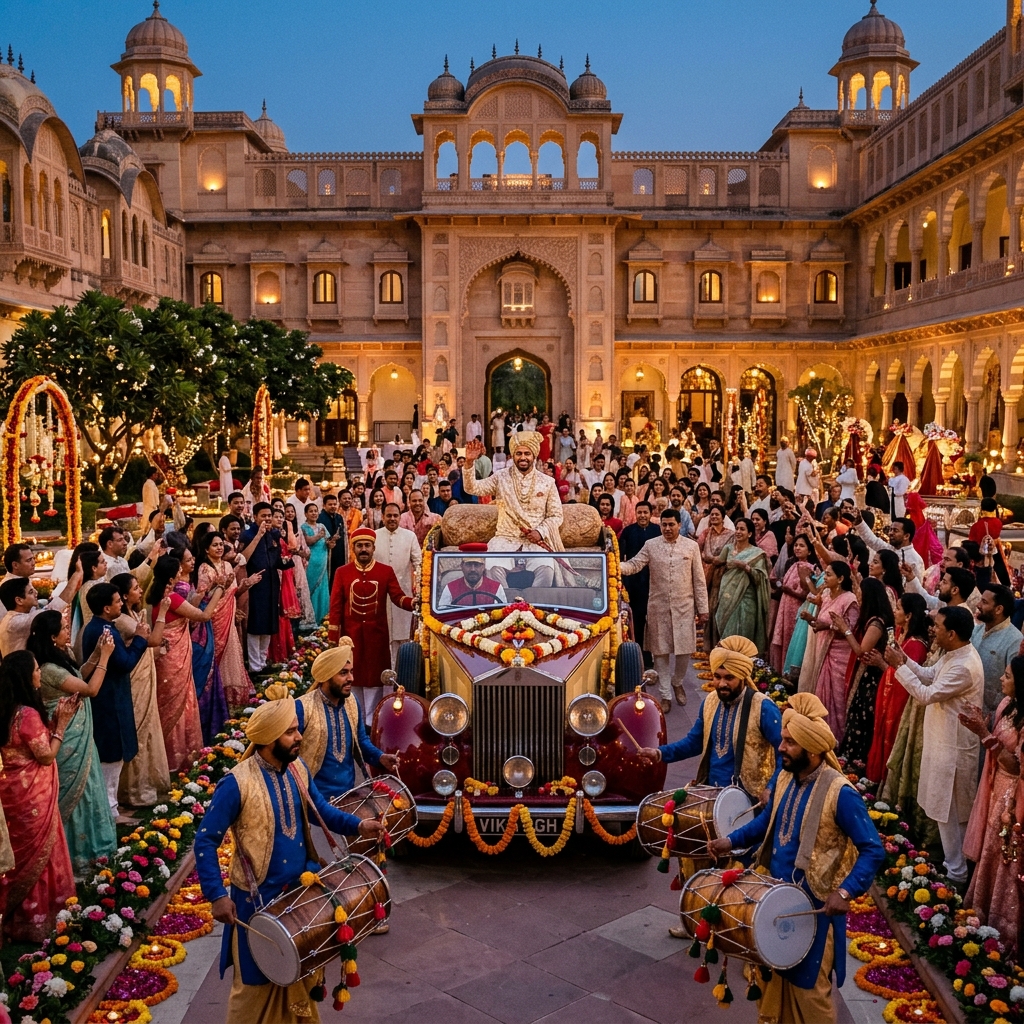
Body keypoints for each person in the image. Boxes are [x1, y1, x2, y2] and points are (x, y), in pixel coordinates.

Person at [194, 696, 383, 1024]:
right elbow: (205, 840)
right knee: (254, 984)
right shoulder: (236, 783)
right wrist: (216, 895)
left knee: (302, 975)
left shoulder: (297, 768)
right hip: (257, 900)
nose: (299, 737)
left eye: (298, 730)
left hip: (300, 893)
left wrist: (358, 824)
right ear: (268, 738)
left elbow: (319, 811)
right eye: (290, 732)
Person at [711, 693, 886, 1024]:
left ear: (814, 751)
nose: (781, 747)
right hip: (776, 898)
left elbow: (873, 849)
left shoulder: (841, 793)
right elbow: (767, 822)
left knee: (809, 991)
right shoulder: (786, 776)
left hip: (815, 909)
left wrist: (846, 892)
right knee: (772, 980)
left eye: (790, 743)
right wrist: (729, 841)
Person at [884, 604, 985, 884]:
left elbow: (927, 694)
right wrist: (904, 659)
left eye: (938, 626)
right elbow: (929, 675)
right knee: (946, 812)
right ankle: (956, 868)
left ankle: (957, 875)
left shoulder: (964, 666)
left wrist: (897, 667)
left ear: (952, 633)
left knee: (950, 813)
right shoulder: (954, 654)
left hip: (952, 751)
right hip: (942, 744)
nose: (933, 629)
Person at [638, 634, 782, 808]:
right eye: (717, 676)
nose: (721, 684)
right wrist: (659, 753)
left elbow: (784, 753)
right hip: (712, 794)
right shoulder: (710, 702)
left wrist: (771, 788)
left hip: (751, 799)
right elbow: (694, 742)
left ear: (742, 677)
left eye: (729, 678)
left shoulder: (763, 708)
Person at [29, 611, 118, 874]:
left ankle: (92, 852)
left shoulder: (59, 658)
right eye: (64, 628)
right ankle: (73, 858)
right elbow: (89, 689)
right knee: (76, 794)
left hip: (80, 737)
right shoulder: (48, 669)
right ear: (53, 637)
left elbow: (79, 674)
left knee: (89, 790)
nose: (69, 631)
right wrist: (105, 658)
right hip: (67, 740)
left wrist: (96, 655)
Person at [0, 650, 76, 942]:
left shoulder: (5, 709)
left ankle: (12, 921)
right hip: (33, 796)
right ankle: (39, 920)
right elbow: (45, 756)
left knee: (18, 856)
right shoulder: (27, 715)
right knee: (41, 854)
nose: (39, 674)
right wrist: (62, 725)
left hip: (10, 794)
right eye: (35, 670)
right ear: (24, 676)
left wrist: (55, 721)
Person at [960, 656, 1024, 949]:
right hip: (995, 788)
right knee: (990, 850)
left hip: (1013, 797)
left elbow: (1015, 766)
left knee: (1006, 855)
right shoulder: (1007, 706)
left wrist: (984, 733)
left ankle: (1002, 932)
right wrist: (984, 725)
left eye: (1007, 675)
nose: (1001, 679)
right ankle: (980, 920)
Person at [619, 508, 709, 712]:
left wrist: (703, 608)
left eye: (671, 525)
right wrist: (614, 564)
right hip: (658, 606)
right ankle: (666, 694)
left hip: (684, 606)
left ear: (679, 525)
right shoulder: (651, 545)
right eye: (664, 525)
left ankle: (677, 681)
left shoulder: (691, 546)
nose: (667, 528)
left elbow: (699, 580)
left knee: (684, 651)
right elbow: (634, 565)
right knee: (660, 651)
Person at [327, 527, 415, 724]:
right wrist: (333, 640)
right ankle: (353, 719)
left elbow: (398, 597)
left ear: (374, 547)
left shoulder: (385, 571)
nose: (363, 549)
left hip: (377, 636)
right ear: (353, 549)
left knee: (375, 678)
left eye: (367, 545)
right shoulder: (342, 572)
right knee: (352, 677)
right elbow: (335, 607)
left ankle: (371, 722)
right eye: (359, 546)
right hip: (351, 637)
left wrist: (414, 603)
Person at [80, 583, 151, 821]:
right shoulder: (102, 631)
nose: (122, 603)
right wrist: (140, 640)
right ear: (106, 607)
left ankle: (112, 808)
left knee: (114, 754)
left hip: (112, 696)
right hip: (108, 701)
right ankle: (110, 812)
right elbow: (125, 663)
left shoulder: (102, 626)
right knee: (111, 755)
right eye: (117, 601)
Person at [297, 643, 399, 801]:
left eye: (351, 672)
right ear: (326, 676)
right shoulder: (303, 707)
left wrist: (380, 757)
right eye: (343, 673)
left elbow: (360, 741)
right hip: (312, 801)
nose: (351, 678)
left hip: (348, 796)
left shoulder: (352, 701)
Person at [462, 433, 563, 589]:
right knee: (492, 569)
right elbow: (472, 488)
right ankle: (506, 608)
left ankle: (532, 609)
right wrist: (469, 463)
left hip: (535, 542)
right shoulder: (500, 477)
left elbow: (556, 515)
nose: (523, 457)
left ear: (534, 455)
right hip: (505, 539)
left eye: (527, 453)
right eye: (519, 453)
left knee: (547, 570)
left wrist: (541, 532)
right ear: (513, 456)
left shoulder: (547, 482)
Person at [149, 556, 220, 771]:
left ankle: (170, 757)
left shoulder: (154, 595)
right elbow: (204, 616)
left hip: (168, 655)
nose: (182, 572)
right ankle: (176, 759)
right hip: (173, 657)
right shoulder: (172, 599)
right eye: (179, 570)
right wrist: (218, 591)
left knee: (168, 702)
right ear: (172, 577)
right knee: (177, 702)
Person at [110, 573, 172, 808]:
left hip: (145, 675)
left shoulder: (133, 614)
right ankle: (134, 791)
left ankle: (146, 783)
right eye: (136, 588)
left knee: (148, 727)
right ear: (125, 595)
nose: (140, 591)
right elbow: (153, 640)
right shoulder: (124, 621)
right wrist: (163, 612)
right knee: (139, 728)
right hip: (135, 681)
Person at [865, 592, 930, 784]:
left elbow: (905, 678)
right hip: (888, 697)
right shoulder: (903, 636)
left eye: (899, 608)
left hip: (898, 703)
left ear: (909, 615)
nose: (894, 611)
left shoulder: (916, 645)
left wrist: (881, 664)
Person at [833, 576, 894, 768]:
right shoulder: (872, 619)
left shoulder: (876, 623)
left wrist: (845, 630)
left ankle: (855, 763)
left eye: (860, 591)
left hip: (871, 678)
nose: (857, 594)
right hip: (868, 675)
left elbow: (862, 651)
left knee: (861, 719)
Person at [195, 532, 260, 711]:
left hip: (228, 618)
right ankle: (217, 697)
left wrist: (245, 585)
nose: (219, 548)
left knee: (232, 652)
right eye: (215, 545)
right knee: (216, 655)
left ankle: (232, 696)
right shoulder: (204, 568)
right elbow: (203, 597)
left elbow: (234, 593)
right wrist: (219, 586)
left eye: (220, 544)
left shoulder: (228, 566)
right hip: (214, 619)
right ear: (206, 549)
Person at [800, 561, 858, 745]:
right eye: (825, 573)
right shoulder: (825, 594)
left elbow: (851, 629)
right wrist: (812, 619)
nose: (825, 578)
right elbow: (821, 624)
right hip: (822, 650)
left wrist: (828, 626)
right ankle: (817, 736)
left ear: (841, 578)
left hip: (839, 656)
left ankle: (835, 740)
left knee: (836, 699)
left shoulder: (850, 600)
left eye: (829, 574)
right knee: (820, 692)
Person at [240, 503, 293, 673]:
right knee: (256, 625)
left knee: (269, 623)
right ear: (254, 517)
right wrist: (259, 535)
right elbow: (242, 560)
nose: (267, 519)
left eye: (269, 515)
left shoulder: (274, 534)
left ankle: (263, 663)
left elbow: (276, 560)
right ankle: (255, 666)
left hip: (271, 584)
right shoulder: (248, 535)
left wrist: (286, 560)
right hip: (255, 585)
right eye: (263, 516)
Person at [712, 517, 771, 653]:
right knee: (726, 631)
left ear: (750, 534)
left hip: (747, 599)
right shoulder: (727, 548)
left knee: (744, 634)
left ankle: (742, 667)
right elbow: (718, 567)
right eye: (737, 528)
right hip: (727, 594)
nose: (738, 532)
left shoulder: (756, 554)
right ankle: (725, 665)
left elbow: (761, 578)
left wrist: (745, 567)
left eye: (742, 529)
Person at [374, 503, 421, 667]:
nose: (392, 519)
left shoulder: (410, 536)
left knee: (402, 635)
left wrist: (420, 589)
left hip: (403, 593)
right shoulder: (374, 536)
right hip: (378, 596)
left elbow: (419, 563)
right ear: (382, 517)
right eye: (389, 515)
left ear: (400, 517)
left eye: (395, 515)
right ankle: (383, 672)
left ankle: (402, 674)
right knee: (381, 635)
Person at [619, 502, 661, 669]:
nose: (642, 515)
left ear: (651, 514)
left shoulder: (657, 531)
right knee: (636, 621)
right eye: (639, 512)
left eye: (645, 512)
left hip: (654, 582)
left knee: (653, 623)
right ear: (635, 514)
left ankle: (652, 660)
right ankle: (637, 659)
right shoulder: (628, 532)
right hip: (634, 582)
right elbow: (622, 557)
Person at [972, 584, 1024, 716]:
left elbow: (1015, 684)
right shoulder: (976, 630)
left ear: (999, 609)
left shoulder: (1014, 640)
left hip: (993, 715)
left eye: (984, 602)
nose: (978, 605)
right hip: (969, 708)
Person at [770, 534, 816, 672]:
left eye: (802, 545)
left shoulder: (809, 568)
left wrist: (789, 591)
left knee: (790, 641)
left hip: (796, 609)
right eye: (796, 545)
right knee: (782, 639)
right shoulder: (793, 564)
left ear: (809, 551)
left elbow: (808, 594)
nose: (797, 548)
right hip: (785, 607)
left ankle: (787, 674)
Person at [851, 509, 925, 581]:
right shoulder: (889, 548)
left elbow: (917, 588)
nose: (890, 533)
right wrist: (860, 523)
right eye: (890, 529)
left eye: (895, 530)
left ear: (906, 536)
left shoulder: (915, 559)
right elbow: (872, 541)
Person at [300, 504, 331, 625]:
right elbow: (308, 541)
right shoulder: (303, 527)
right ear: (306, 514)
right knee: (310, 588)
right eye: (311, 511)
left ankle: (323, 620)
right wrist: (319, 536)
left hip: (323, 561)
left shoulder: (322, 526)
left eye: (315, 511)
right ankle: (310, 622)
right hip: (311, 562)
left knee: (322, 589)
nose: (314, 513)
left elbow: (327, 541)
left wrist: (331, 541)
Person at [438, 556, 507, 607]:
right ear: (462, 566)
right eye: (468, 565)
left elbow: (502, 616)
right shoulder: (450, 588)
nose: (472, 569)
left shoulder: (496, 588)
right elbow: (443, 615)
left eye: (476, 565)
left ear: (483, 567)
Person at [316, 493, 347, 590]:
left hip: (339, 550)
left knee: (338, 573)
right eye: (330, 504)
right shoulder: (320, 518)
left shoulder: (339, 517)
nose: (333, 506)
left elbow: (342, 533)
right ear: (324, 505)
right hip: (325, 551)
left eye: (335, 504)